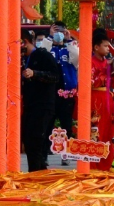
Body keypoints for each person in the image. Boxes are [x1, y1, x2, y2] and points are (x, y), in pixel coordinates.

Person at [20, 29, 61, 172]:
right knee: (28, 140)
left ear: (24, 42)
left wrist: (35, 73)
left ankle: (35, 174)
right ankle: (40, 171)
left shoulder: (43, 55)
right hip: (29, 105)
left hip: (43, 105)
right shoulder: (22, 59)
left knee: (36, 141)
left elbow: (55, 76)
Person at [48, 21, 78, 166]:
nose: (58, 33)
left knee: (66, 124)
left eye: (61, 30)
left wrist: (69, 40)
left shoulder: (69, 48)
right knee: (47, 123)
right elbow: (40, 54)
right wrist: (50, 37)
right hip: (50, 93)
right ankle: (44, 154)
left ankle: (66, 153)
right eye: (56, 30)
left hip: (67, 94)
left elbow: (77, 58)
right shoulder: (48, 48)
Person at [90, 28, 114, 171]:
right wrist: (105, 71)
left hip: (107, 100)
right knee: (96, 132)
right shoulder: (90, 62)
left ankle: (106, 164)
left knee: (108, 132)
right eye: (105, 46)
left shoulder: (106, 62)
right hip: (95, 100)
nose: (108, 49)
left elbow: (112, 83)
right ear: (96, 47)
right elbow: (90, 83)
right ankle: (93, 166)